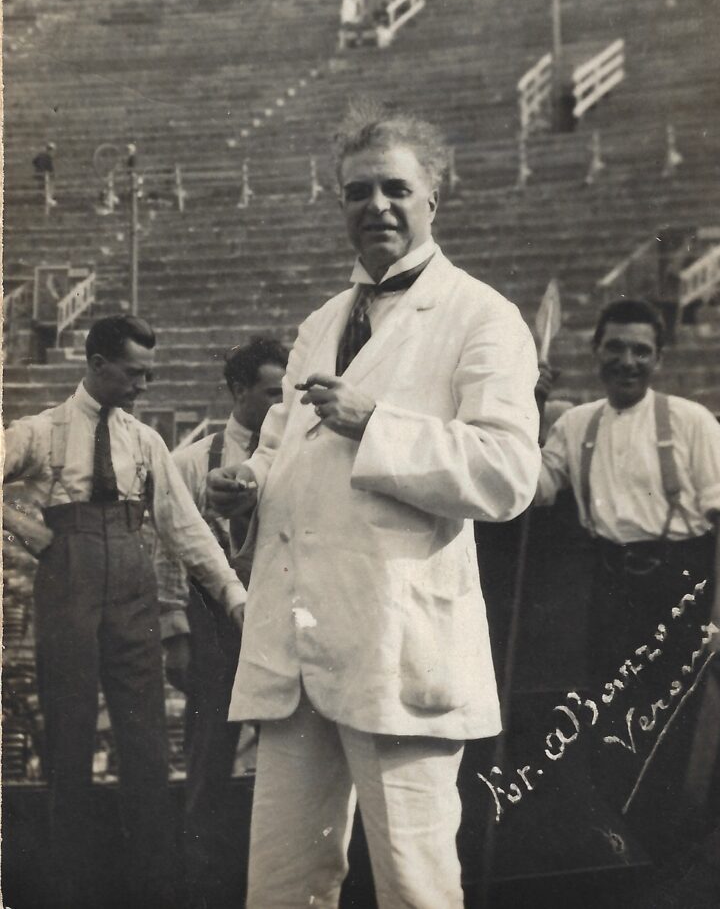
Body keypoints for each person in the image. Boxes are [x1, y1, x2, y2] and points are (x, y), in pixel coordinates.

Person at [207, 106, 541, 909]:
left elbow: (507, 474)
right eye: (358, 191)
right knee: (282, 887)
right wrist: (248, 484)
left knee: (414, 885)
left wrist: (376, 424)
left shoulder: (483, 316)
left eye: (396, 188)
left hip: (398, 651)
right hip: (297, 652)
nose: (377, 206)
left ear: (434, 198)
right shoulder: (321, 322)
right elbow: (282, 451)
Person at [3, 314, 248, 909]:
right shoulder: (41, 431)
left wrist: (232, 595)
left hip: (133, 588)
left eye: (149, 374)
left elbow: (184, 527)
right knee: (69, 734)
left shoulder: (144, 440)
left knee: (146, 743)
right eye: (134, 373)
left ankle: (155, 888)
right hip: (68, 582)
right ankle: (70, 889)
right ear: (97, 364)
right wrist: (21, 527)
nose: (143, 385)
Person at [536, 297, 720, 855]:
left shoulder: (690, 421)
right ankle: (629, 853)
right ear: (596, 351)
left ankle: (682, 853)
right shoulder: (575, 425)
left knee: (678, 732)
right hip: (611, 591)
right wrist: (526, 408)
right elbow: (533, 490)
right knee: (614, 727)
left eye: (640, 351)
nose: (627, 361)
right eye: (615, 348)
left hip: (681, 589)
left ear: (658, 358)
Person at [162, 337, 288, 909]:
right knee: (209, 761)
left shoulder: (294, 459)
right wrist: (176, 633)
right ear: (239, 391)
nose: (283, 403)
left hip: (281, 623)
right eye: (271, 393)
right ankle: (202, 888)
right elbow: (168, 550)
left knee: (287, 761)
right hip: (214, 629)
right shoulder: (191, 462)